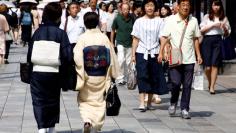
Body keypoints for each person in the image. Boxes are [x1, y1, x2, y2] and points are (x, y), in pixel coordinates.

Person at [27, 3, 73, 133]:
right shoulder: (61, 33)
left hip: (37, 71)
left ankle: (41, 127)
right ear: (58, 17)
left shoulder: (37, 32)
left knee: (38, 100)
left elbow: (30, 54)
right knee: (53, 99)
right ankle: (51, 128)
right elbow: (68, 56)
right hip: (54, 71)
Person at [74, 12, 120, 133]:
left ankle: (87, 120)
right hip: (101, 76)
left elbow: (77, 58)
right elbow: (112, 57)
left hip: (87, 76)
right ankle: (95, 126)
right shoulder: (103, 38)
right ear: (98, 23)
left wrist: (80, 71)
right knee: (100, 103)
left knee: (84, 101)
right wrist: (113, 74)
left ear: (85, 23)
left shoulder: (82, 38)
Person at [158, 0, 202, 119]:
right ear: (178, 7)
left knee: (187, 85)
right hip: (175, 58)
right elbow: (164, 37)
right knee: (176, 83)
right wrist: (162, 52)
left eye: (188, 5)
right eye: (183, 5)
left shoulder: (194, 21)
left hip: (189, 58)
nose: (186, 7)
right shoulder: (171, 20)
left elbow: (196, 39)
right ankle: (173, 102)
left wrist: (198, 55)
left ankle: (184, 109)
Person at [131, 0, 167, 112]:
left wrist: (162, 52)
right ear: (144, 8)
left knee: (153, 76)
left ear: (155, 7)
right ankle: (142, 102)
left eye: (151, 5)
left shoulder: (160, 21)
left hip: (155, 52)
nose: (149, 8)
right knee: (142, 76)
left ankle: (150, 102)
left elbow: (162, 38)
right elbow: (135, 39)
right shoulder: (139, 21)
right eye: (147, 6)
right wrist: (133, 54)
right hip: (142, 52)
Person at [200, 0, 231, 94]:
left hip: (218, 41)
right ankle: (210, 82)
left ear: (221, 7)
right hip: (207, 41)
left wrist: (224, 28)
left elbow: (227, 33)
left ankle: (212, 87)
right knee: (207, 67)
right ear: (212, 6)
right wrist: (213, 25)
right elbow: (202, 30)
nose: (216, 7)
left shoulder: (224, 18)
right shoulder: (206, 16)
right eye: (215, 5)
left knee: (215, 64)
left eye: (218, 5)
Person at [110, 3, 134, 85]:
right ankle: (119, 78)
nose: (125, 11)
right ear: (121, 9)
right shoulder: (117, 19)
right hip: (120, 41)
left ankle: (127, 78)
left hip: (130, 42)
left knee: (128, 62)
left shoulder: (132, 18)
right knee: (120, 59)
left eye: (127, 9)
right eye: (124, 9)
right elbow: (113, 30)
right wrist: (111, 42)